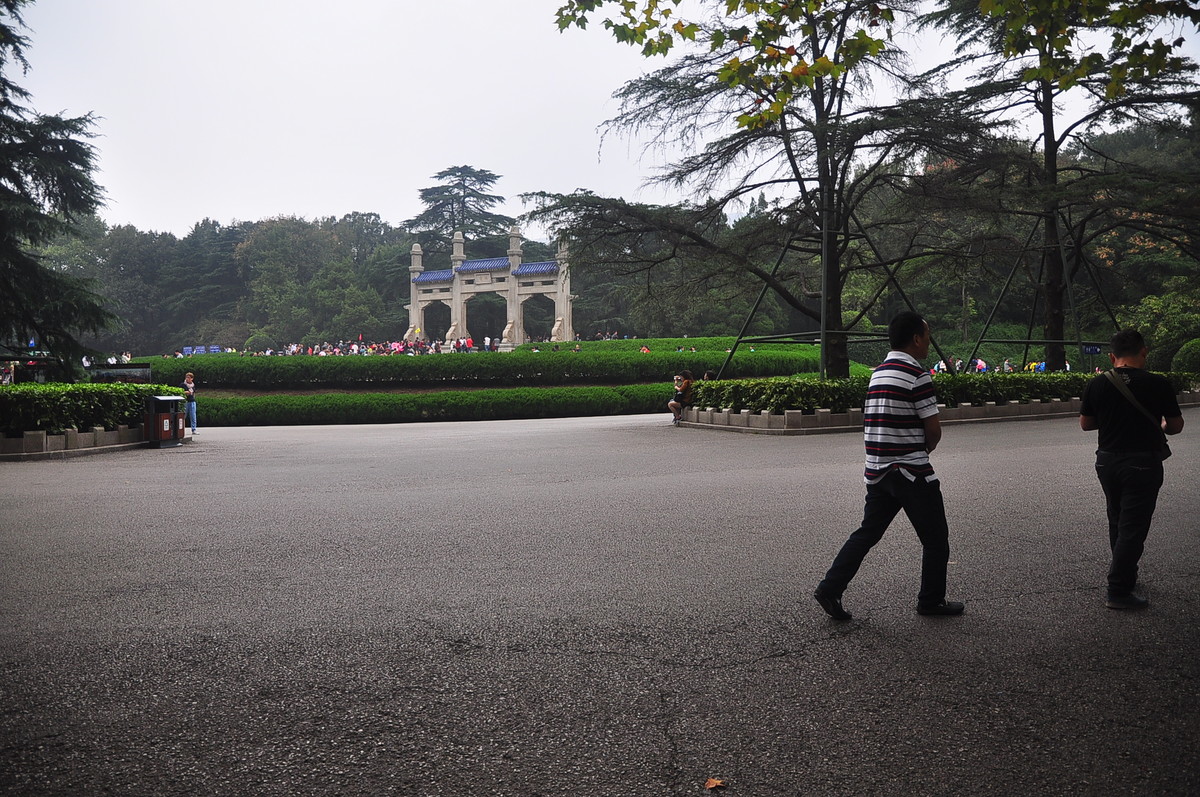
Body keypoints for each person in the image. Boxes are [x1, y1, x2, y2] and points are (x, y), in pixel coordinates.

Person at [814, 311, 964, 621]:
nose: (929, 342)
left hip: (878, 471)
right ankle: (931, 601)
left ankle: (830, 587)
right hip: (911, 472)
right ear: (916, 339)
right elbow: (933, 430)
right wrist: (924, 449)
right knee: (936, 539)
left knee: (867, 533)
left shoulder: (879, 372)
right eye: (928, 335)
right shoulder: (917, 375)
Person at [1079, 329, 1184, 610]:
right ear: (1144, 352)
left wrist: (1113, 420)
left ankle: (1126, 574)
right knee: (1133, 526)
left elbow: (1086, 424)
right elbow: (1175, 426)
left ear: (1112, 356)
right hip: (1143, 462)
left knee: (1117, 517)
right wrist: (1157, 426)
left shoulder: (1097, 384)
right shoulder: (1158, 383)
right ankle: (1118, 590)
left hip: (1107, 461)